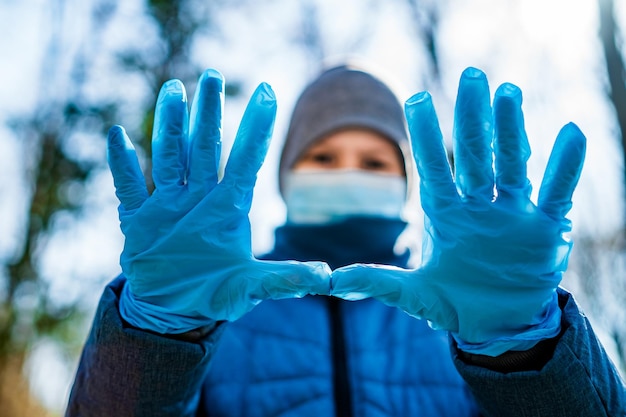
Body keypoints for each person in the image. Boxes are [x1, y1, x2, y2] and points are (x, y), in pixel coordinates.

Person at [65, 64, 625, 417]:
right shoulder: (220, 310)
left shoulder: (458, 316)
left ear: (407, 183)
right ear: (285, 177)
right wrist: (157, 335)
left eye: (375, 161)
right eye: (324, 157)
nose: (347, 171)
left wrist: (523, 351)